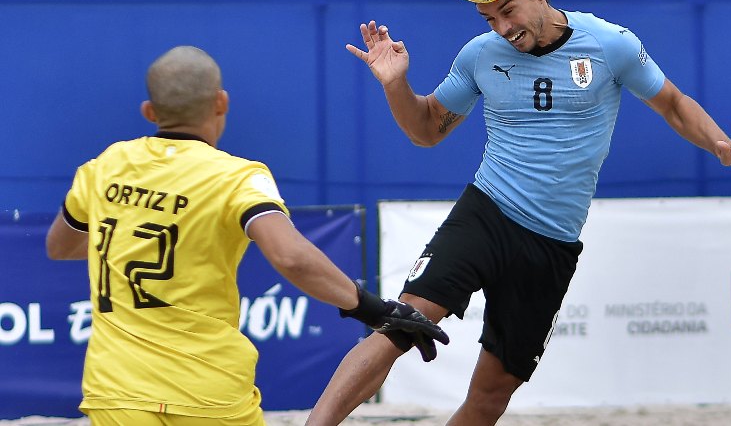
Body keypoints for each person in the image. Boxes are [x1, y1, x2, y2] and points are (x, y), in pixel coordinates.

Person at [306, 0, 731, 426]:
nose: (502, 28)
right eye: (489, 18)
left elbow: (674, 103)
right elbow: (426, 131)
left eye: (508, 10)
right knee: (402, 323)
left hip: (552, 241)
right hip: (486, 213)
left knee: (491, 396)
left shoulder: (610, 44)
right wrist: (396, 86)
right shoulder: (480, 56)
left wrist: (721, 145)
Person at [45, 46, 448, 426]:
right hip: (207, 390)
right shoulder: (236, 177)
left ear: (149, 111)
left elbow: (60, 246)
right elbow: (290, 256)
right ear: (221, 102)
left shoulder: (106, 166)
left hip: (116, 392)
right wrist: (374, 309)